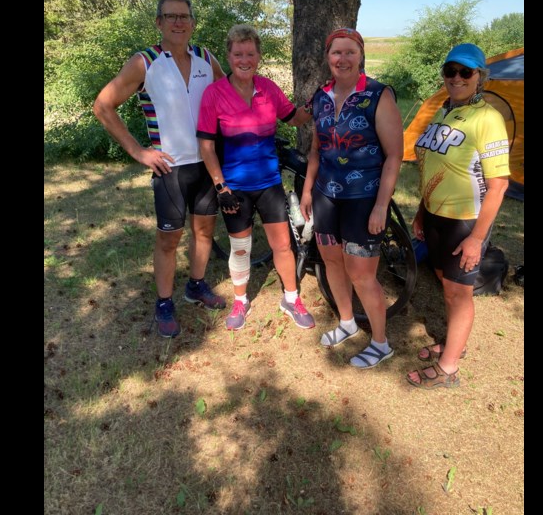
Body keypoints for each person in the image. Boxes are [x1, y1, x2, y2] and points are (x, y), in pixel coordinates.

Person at [92, 0, 228, 339]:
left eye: (184, 16)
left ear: (193, 22)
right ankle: (164, 302)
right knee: (169, 238)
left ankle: (195, 285)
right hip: (170, 168)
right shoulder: (145, 62)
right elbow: (103, 106)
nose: (179, 22)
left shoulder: (205, 58)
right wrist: (139, 151)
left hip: (207, 163)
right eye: (171, 16)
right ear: (159, 22)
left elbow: (228, 95)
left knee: (204, 232)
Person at [406, 43, 510, 389]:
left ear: (481, 77)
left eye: (466, 72)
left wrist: (477, 239)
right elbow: (434, 165)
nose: (457, 78)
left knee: (457, 293)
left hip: (465, 220)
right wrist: (422, 211)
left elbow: (498, 186)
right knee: (445, 283)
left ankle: (449, 368)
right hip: (436, 215)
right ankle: (453, 343)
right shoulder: (442, 110)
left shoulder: (488, 118)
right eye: (451, 71)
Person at [299, 27, 404, 368]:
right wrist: (307, 191)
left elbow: (394, 156)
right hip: (326, 196)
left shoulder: (378, 95)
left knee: (362, 274)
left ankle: (380, 342)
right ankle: (346, 322)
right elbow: (316, 150)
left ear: (360, 56)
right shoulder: (320, 97)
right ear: (327, 58)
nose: (342, 59)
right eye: (336, 53)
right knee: (331, 262)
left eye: (349, 52)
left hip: (364, 199)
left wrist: (381, 206)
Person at [196, 25, 313, 330]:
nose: (244, 59)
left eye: (250, 53)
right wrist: (221, 187)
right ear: (229, 56)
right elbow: (206, 146)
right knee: (240, 248)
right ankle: (240, 302)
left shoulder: (269, 89)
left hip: (269, 184)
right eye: (238, 54)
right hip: (234, 188)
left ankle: (290, 299)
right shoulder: (214, 93)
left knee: (283, 246)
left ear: (258, 56)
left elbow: (295, 117)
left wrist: (320, 102)